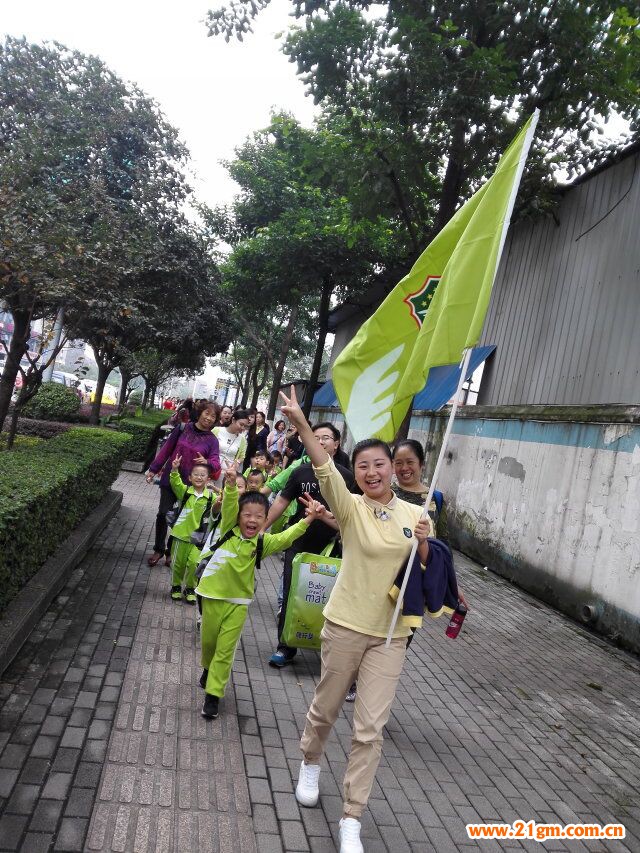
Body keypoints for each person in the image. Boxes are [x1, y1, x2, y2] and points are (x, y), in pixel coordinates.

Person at [278, 386, 463, 853]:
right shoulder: (350, 507)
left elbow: (427, 571)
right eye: (364, 466)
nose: (373, 471)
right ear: (356, 474)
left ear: (392, 468)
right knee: (325, 710)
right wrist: (300, 422)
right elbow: (323, 467)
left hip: (390, 635)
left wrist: (423, 543)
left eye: (380, 463)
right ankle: (310, 760)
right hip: (343, 626)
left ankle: (351, 817)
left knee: (369, 730)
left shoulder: (416, 513)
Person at [195, 462, 325, 719]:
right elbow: (231, 503)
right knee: (209, 643)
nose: (252, 519)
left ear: (265, 519)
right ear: (238, 516)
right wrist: (230, 483)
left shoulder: (262, 543)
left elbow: (287, 537)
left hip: (238, 602)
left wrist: (309, 518)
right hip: (210, 595)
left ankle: (213, 695)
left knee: (225, 649)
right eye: (247, 514)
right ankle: (207, 669)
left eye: (258, 516)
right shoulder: (229, 530)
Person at [265, 422, 354, 668]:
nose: (321, 441)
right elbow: (281, 502)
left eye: (326, 437)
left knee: (326, 598)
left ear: (336, 445)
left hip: (331, 548)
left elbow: (351, 518)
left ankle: (323, 646)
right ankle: (285, 647)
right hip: (299, 542)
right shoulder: (300, 472)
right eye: (315, 437)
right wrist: (261, 529)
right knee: (292, 593)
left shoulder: (347, 477)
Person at [145, 402, 221, 567]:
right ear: (200, 413)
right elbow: (167, 449)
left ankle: (170, 552)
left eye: (213, 416)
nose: (209, 418)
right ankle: (158, 549)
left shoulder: (212, 440)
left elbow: (216, 462)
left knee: (180, 519)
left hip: (191, 486)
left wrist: (206, 461)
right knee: (163, 514)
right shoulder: (182, 428)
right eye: (206, 413)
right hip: (171, 478)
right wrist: (153, 469)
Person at [167, 455, 215, 603]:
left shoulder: (211, 498)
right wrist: (174, 469)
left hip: (199, 539)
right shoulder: (186, 492)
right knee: (177, 564)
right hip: (180, 535)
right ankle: (176, 586)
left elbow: (224, 502)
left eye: (202, 475)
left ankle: (190, 588)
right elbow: (175, 483)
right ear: (189, 477)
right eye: (195, 474)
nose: (199, 477)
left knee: (195, 563)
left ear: (208, 480)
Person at [392, 439, 449, 542]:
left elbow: (442, 539)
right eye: (399, 463)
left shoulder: (436, 498)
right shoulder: (386, 493)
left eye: (410, 462)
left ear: (421, 464)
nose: (404, 468)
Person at [212, 409, 250, 485]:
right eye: (241, 424)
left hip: (227, 474)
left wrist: (237, 462)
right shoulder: (217, 431)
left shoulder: (242, 440)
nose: (242, 428)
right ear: (233, 420)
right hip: (211, 470)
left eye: (245, 426)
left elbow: (242, 456)